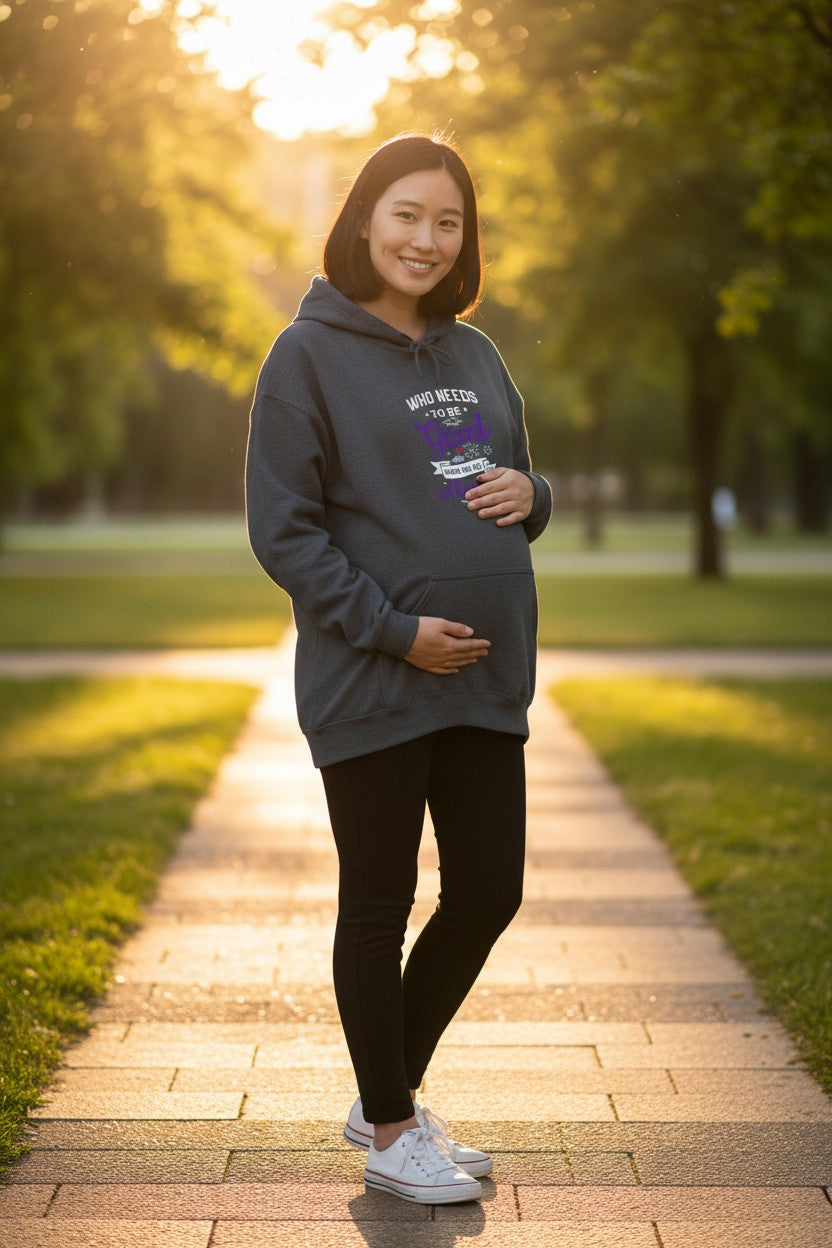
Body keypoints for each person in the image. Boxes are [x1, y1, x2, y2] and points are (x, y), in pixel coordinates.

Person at [245, 133, 552, 1205]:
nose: (427, 239)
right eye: (407, 214)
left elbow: (512, 478)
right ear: (365, 219)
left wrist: (537, 496)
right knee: (379, 903)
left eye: (448, 221)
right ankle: (390, 1131)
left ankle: (389, 1091)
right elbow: (284, 532)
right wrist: (391, 630)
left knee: (489, 891)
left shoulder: (477, 354)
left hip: (484, 680)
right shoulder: (305, 355)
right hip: (375, 675)